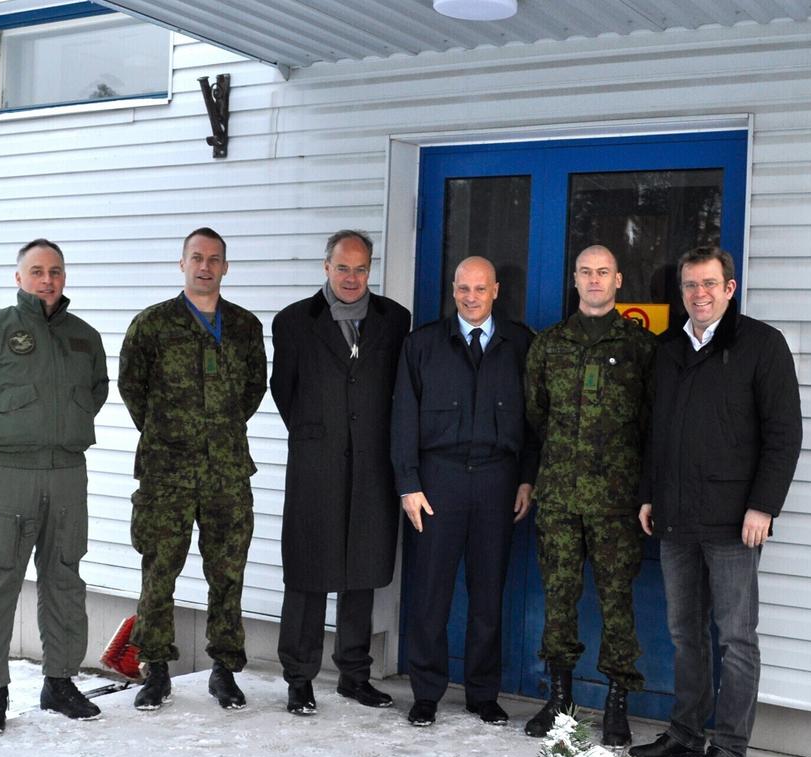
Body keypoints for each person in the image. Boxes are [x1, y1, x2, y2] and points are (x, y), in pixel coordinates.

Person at [633, 245, 802, 757]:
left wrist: (763, 506)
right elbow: (655, 432)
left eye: (709, 284)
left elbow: (784, 435)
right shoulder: (668, 350)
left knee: (735, 637)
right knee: (685, 632)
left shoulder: (762, 345)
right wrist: (649, 495)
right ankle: (685, 732)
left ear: (729, 288)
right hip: (676, 518)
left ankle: (729, 747)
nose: (699, 294)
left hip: (734, 522)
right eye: (690, 285)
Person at [0, 239, 109, 735]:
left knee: (65, 579)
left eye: (55, 271)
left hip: (67, 474)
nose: (47, 280)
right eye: (36, 271)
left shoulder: (84, 337)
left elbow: (96, 392)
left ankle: (59, 682)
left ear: (64, 277)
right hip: (10, 475)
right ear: (18, 278)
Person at [119, 228, 268, 712]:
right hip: (167, 472)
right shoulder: (153, 325)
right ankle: (155, 669)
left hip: (227, 470)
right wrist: (171, 432)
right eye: (197, 258)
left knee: (228, 572)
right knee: (159, 570)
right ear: (182, 263)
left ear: (226, 267)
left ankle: (224, 669)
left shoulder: (244, 326)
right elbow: (132, 387)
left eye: (214, 259)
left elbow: (253, 389)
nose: (206, 266)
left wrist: (217, 431)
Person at [390, 256, 537, 728]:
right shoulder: (422, 344)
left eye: (480, 288)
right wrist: (409, 484)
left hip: (498, 480)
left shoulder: (521, 344)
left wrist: (527, 478)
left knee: (488, 592)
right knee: (430, 592)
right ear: (452, 290)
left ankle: (483, 694)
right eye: (462, 288)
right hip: (439, 481)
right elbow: (403, 417)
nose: (471, 297)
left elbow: (536, 421)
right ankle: (426, 693)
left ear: (496, 291)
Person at [271, 231, 411, 716]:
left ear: (371, 269)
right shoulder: (294, 321)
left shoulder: (394, 320)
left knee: (361, 572)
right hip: (316, 466)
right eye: (343, 267)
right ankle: (299, 678)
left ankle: (355, 675)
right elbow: (284, 389)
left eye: (361, 268)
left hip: (372, 464)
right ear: (326, 266)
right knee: (308, 572)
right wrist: (319, 434)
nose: (352, 278)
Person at [522, 245, 656, 746]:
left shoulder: (642, 347)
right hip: (559, 496)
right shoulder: (548, 345)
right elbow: (536, 415)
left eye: (603, 272)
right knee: (559, 598)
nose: (594, 280)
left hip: (617, 503)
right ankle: (560, 699)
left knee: (617, 601)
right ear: (574, 280)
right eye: (585, 272)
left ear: (618, 280)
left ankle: (616, 703)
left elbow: (651, 424)